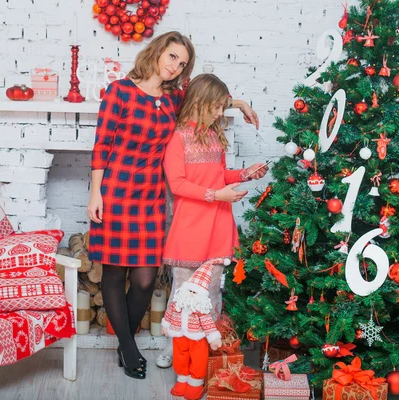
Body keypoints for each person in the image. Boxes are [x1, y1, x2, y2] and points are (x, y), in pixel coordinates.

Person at [87, 32, 259, 380]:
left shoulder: (172, 98)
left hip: (150, 197)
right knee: (113, 272)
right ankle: (129, 347)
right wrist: (95, 193)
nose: (174, 66)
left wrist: (238, 104)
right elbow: (102, 146)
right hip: (116, 191)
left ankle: (124, 342)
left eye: (181, 63)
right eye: (171, 57)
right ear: (156, 51)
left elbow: (205, 99)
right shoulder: (119, 92)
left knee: (146, 279)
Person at [156, 74, 269, 370]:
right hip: (189, 227)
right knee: (183, 294)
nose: (221, 113)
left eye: (223, 107)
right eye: (217, 107)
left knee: (212, 294)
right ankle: (174, 345)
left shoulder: (214, 136)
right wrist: (215, 194)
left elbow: (220, 177)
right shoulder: (178, 138)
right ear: (200, 102)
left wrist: (245, 173)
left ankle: (207, 351)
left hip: (217, 225)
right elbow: (178, 184)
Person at [161, 258, 226, 400]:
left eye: (194, 292)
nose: (190, 294)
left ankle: (195, 383)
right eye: (189, 290)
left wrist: (213, 338)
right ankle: (182, 380)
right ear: (184, 288)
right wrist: (165, 325)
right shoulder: (177, 303)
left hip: (197, 339)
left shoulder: (201, 309)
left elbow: (208, 322)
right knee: (180, 359)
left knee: (198, 360)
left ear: (202, 296)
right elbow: (169, 314)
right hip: (179, 336)